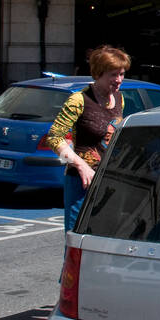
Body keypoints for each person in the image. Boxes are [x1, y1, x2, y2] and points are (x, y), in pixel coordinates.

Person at [44, 45, 129, 233]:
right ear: (98, 73)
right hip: (81, 182)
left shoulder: (119, 98)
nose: (119, 80)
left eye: (121, 74)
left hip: (109, 180)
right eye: (113, 75)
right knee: (77, 241)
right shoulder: (79, 100)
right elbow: (53, 138)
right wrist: (80, 165)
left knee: (104, 238)